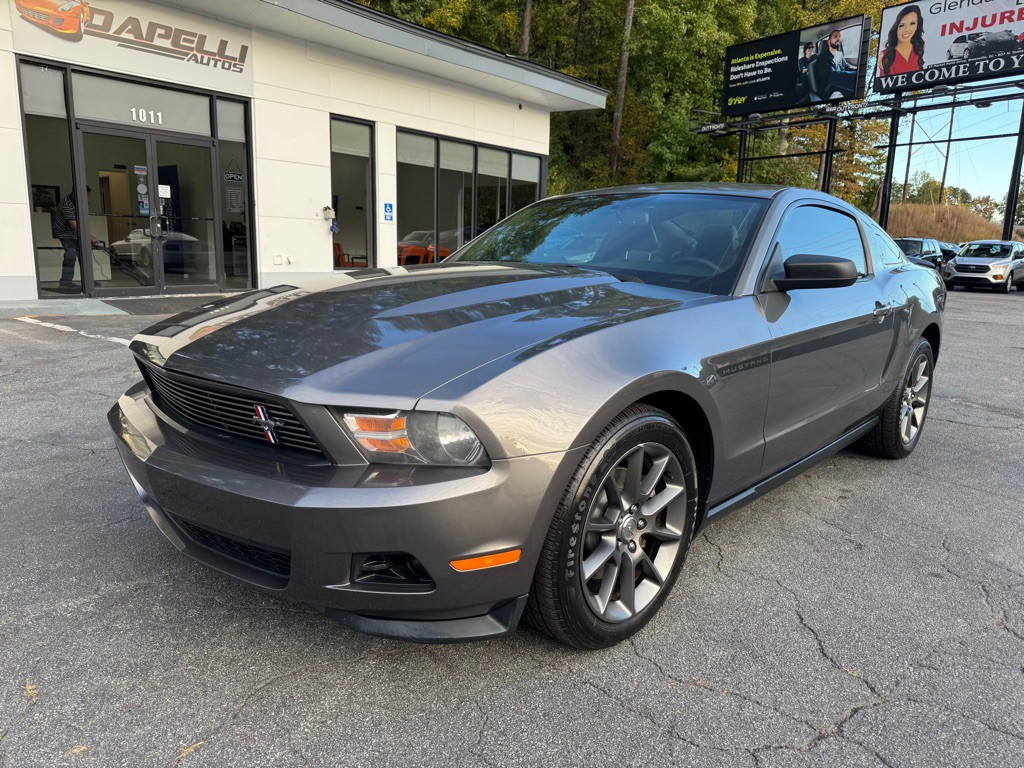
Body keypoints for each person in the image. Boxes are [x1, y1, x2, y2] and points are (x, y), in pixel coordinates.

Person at [51, 186, 99, 289]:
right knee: (71, 254)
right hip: (64, 232)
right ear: (78, 193)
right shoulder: (67, 204)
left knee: (84, 255)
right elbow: (74, 224)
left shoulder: (79, 202)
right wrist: (89, 236)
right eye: (86, 195)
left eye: (88, 195)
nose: (87, 197)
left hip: (75, 232)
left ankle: (88, 281)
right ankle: (65, 282)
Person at [878, 5, 925, 77]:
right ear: (896, 28)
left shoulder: (920, 48)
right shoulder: (884, 55)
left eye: (912, 23)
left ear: (917, 26)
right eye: (902, 25)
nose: (906, 29)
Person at [813, 28, 857, 99]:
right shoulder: (822, 57)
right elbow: (830, 76)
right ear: (829, 42)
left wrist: (858, 70)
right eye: (835, 36)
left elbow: (847, 67)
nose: (838, 39)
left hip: (839, 84)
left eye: (839, 37)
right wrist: (854, 76)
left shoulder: (840, 54)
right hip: (829, 89)